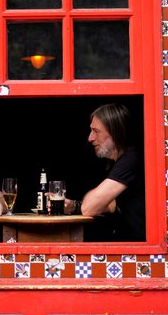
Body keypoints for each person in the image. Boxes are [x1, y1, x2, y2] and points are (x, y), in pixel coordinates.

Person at [65, 103, 145, 241]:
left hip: (145, 256)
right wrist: (73, 206)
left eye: (96, 131)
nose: (90, 138)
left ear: (115, 132)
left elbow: (90, 208)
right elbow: (110, 205)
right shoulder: (121, 162)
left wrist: (85, 206)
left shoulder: (131, 159)